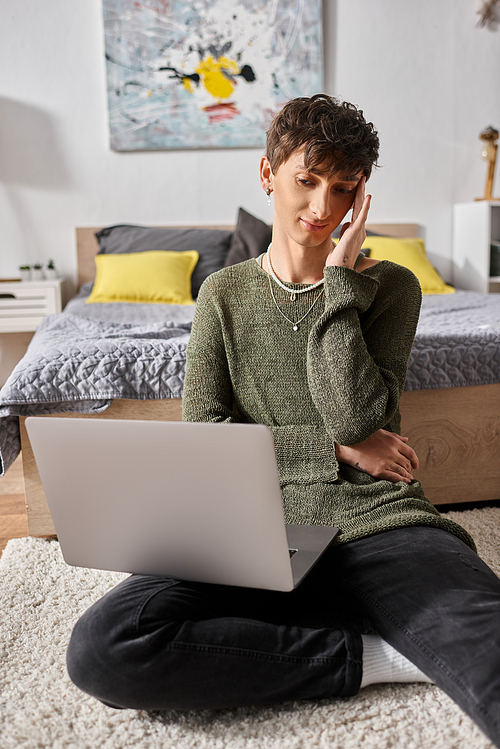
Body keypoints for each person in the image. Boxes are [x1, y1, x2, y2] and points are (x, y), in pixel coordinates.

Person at [66, 95, 500, 746]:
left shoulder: (394, 288)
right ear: (268, 174)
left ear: (361, 197)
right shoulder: (222, 293)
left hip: (380, 522)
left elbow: (357, 415)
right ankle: (377, 656)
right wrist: (338, 453)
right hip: (249, 526)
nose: (323, 208)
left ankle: (380, 622)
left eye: (343, 188)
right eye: (307, 180)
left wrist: (338, 285)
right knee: (104, 647)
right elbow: (207, 438)